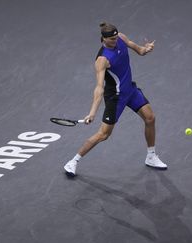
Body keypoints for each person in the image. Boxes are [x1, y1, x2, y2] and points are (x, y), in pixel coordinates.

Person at [64, 22, 167, 176]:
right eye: (111, 39)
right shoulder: (102, 60)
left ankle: (151, 156)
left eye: (115, 37)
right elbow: (99, 88)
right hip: (116, 98)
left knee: (150, 118)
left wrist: (146, 49)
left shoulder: (120, 37)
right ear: (103, 39)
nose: (114, 41)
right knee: (103, 135)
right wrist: (92, 112)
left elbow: (138, 49)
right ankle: (73, 161)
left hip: (130, 90)